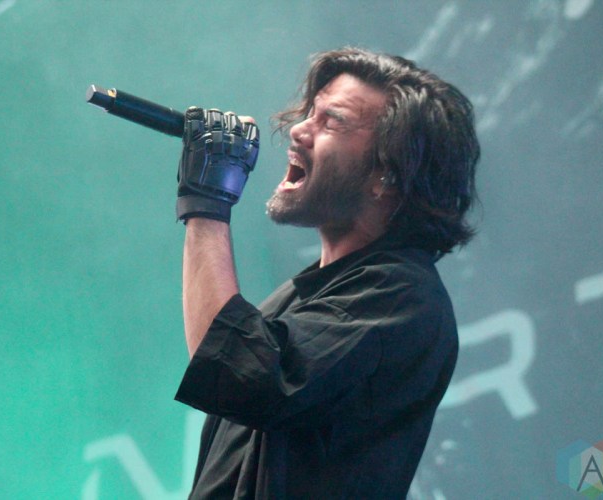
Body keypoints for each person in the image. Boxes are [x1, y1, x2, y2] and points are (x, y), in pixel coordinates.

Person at [172, 48, 480, 499]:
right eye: (310, 114)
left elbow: (236, 373)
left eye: (332, 122)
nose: (299, 130)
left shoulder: (401, 296)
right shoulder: (299, 297)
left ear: (387, 175)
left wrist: (207, 204)